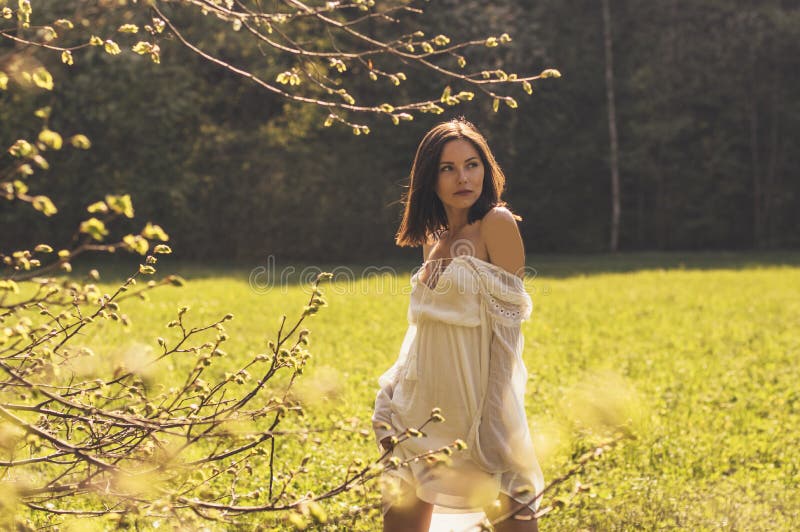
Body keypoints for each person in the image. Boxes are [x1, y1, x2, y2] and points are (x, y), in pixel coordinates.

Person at [372, 118, 545, 532]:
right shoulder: (434, 237)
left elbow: (508, 335)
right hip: (423, 408)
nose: (462, 177)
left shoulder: (497, 225)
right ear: (429, 178)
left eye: (471, 164)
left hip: (476, 409)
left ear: (486, 170)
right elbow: (423, 329)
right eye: (447, 168)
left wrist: (494, 420)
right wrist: (393, 389)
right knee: (400, 519)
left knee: (512, 513)